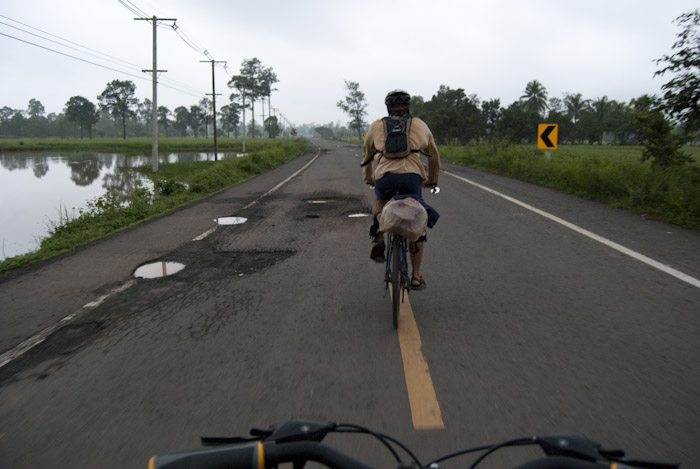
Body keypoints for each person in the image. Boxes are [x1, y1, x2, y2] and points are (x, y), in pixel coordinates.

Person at [361, 89, 440, 290]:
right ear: (408, 107)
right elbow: (433, 156)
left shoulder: (377, 125)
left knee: (379, 201)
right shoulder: (420, 124)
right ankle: (416, 276)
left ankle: (379, 230)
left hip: (385, 177)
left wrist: (370, 178)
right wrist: (432, 179)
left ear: (387, 108)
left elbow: (367, 156)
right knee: (416, 222)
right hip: (411, 178)